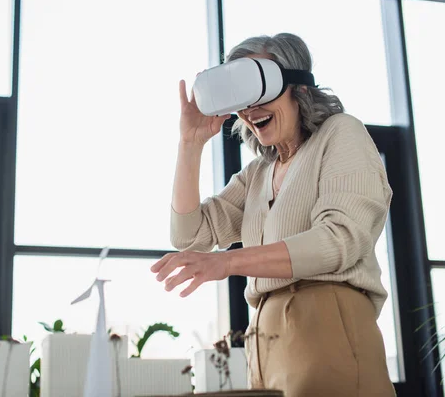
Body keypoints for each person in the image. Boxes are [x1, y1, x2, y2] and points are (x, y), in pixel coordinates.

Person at [150, 33, 396, 397]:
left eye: (260, 91)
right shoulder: (258, 174)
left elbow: (339, 240)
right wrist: (190, 143)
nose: (250, 110)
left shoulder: (341, 133)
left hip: (326, 329)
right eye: (242, 100)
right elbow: (188, 233)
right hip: (264, 345)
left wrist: (229, 263)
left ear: (297, 86)